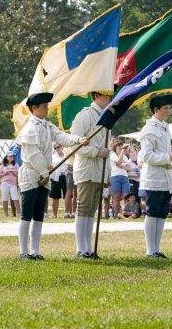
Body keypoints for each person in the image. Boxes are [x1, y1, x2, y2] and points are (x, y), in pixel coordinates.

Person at [17, 92, 87, 260]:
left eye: (47, 106)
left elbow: (62, 137)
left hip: (45, 175)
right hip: (31, 174)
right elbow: (33, 155)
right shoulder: (29, 128)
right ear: (34, 108)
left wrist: (78, 140)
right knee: (27, 213)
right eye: (44, 106)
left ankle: (35, 251)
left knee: (39, 213)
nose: (47, 108)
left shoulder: (47, 126)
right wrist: (43, 172)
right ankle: (24, 252)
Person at [70, 91, 112, 259]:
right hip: (87, 168)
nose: (109, 98)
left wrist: (107, 171)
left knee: (92, 210)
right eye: (106, 94)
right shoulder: (86, 115)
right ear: (96, 96)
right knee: (84, 208)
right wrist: (96, 152)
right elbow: (74, 143)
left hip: (99, 170)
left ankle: (88, 248)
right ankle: (81, 249)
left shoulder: (107, 117)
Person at [138, 94, 172, 258]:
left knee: (162, 213)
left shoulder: (164, 127)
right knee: (153, 211)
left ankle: (157, 247)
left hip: (165, 176)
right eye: (165, 108)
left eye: (169, 108)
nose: (168, 111)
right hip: (154, 177)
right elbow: (147, 156)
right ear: (156, 110)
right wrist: (169, 157)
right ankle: (150, 249)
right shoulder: (149, 129)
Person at [109, 141, 132, 218]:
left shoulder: (125, 157)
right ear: (115, 148)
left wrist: (121, 166)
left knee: (126, 195)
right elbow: (118, 162)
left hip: (125, 177)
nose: (122, 148)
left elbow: (129, 168)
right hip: (115, 176)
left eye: (122, 147)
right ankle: (116, 214)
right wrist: (122, 165)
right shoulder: (113, 155)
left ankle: (125, 214)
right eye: (119, 147)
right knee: (116, 197)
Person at [0, 152, 20, 217]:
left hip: (13, 184)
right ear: (6, 158)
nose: (11, 157)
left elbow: (19, 174)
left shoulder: (15, 165)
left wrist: (15, 174)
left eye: (12, 156)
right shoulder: (3, 165)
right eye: (9, 156)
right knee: (5, 199)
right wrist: (5, 174)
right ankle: (5, 214)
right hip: (4, 183)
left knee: (15, 198)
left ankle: (19, 213)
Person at [48, 144, 67, 218]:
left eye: (58, 147)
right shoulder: (53, 157)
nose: (57, 149)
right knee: (55, 197)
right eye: (55, 148)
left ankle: (68, 213)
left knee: (68, 196)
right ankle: (54, 214)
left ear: (62, 147)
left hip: (65, 176)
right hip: (56, 178)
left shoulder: (67, 155)